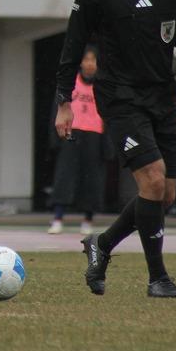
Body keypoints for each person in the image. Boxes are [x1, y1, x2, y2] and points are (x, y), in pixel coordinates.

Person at [55, 0, 176, 299]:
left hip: (162, 96)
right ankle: (158, 279)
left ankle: (102, 244)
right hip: (118, 98)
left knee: (165, 193)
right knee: (152, 179)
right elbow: (72, 46)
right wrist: (64, 100)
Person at [47, 45, 111, 236]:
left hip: (95, 136)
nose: (90, 64)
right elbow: (57, 109)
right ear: (81, 62)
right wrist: (55, 138)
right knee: (64, 178)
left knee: (93, 180)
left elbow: (110, 116)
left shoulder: (104, 86)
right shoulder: (70, 83)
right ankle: (58, 218)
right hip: (71, 134)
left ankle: (88, 220)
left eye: (93, 60)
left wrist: (109, 146)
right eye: (87, 59)